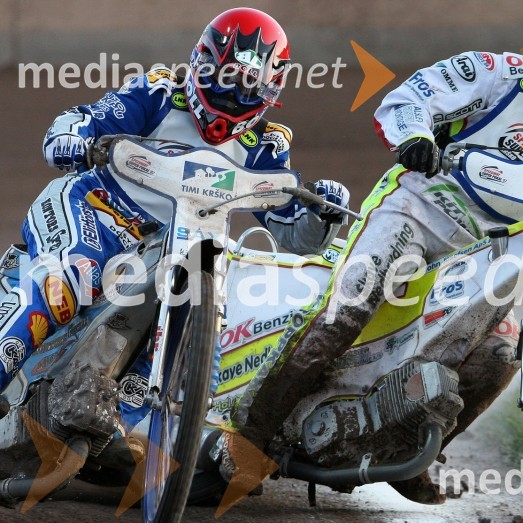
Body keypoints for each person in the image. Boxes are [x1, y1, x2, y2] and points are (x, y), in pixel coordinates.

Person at [231, 9, 523, 503]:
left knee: (499, 360)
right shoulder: (501, 73)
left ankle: (409, 451)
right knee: (345, 312)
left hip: (499, 243)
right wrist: (414, 138)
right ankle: (249, 438)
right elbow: (409, 99)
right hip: (421, 206)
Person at [0, 8, 350, 460]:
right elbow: (84, 119)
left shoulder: (264, 147)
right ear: (203, 63)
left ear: (271, 88)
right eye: (225, 78)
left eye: (248, 84)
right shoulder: (160, 92)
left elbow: (295, 232)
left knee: (205, 302)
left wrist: (323, 211)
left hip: (178, 243)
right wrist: (73, 138)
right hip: (95, 210)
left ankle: (119, 416)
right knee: (73, 274)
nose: (233, 95)